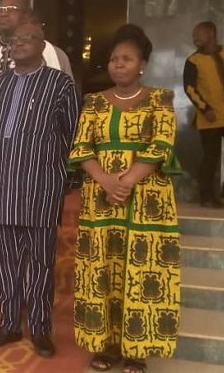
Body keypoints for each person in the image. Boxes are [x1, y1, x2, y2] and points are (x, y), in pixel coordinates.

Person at [69, 24, 181, 373]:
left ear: (142, 64)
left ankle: (137, 350)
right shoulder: (93, 102)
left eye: (127, 59)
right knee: (103, 269)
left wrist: (127, 181)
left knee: (141, 271)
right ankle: (105, 344)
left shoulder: (160, 99)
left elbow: (161, 145)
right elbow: (81, 148)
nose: (118, 64)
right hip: (101, 199)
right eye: (114, 59)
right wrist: (106, 181)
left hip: (146, 200)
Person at [0, 21, 80, 358]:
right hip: (3, 186)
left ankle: (40, 328)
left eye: (27, 38)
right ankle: (9, 324)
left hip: (42, 186)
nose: (19, 44)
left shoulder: (60, 85)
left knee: (40, 264)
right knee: (7, 262)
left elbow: (72, 135)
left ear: (42, 44)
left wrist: (68, 180)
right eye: (14, 39)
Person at [0, 0, 74, 304]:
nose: (3, 14)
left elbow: (68, 121)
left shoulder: (54, 56)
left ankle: (31, 291)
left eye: (11, 9)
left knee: (34, 236)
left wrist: (65, 173)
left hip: (38, 165)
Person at [184, 21, 224, 207]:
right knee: (211, 158)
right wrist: (205, 108)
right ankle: (206, 197)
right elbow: (189, 88)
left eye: (198, 34)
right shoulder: (193, 61)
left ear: (211, 33)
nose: (195, 38)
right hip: (210, 117)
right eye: (193, 35)